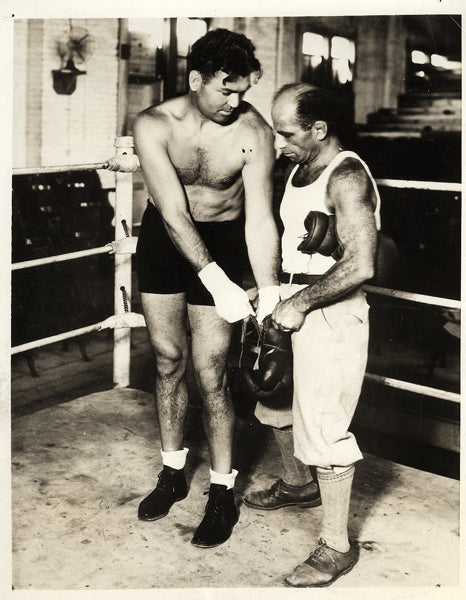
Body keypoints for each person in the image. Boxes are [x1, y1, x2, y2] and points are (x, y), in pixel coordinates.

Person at [132, 28, 280, 549]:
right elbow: (172, 213)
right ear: (196, 79)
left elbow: (260, 220)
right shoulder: (154, 124)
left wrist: (269, 293)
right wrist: (213, 279)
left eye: (242, 91)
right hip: (165, 241)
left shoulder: (254, 132)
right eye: (225, 89)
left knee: (212, 373)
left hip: (225, 239)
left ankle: (221, 491)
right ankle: (172, 473)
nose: (235, 102)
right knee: (169, 360)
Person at [243, 83, 380, 586]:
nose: (278, 143)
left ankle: (337, 546)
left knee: (324, 427)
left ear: (319, 130)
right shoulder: (300, 169)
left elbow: (362, 262)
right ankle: (299, 485)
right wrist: (272, 296)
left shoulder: (345, 176)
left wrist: (298, 303)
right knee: (271, 398)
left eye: (287, 133)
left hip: (331, 314)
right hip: (291, 303)